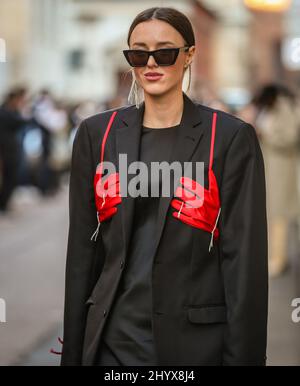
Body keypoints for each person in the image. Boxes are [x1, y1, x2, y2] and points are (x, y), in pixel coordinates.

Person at [61, 7, 268, 366]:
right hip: (112, 339)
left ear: (190, 54)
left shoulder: (230, 138)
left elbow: (245, 265)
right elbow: (81, 253)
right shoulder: (98, 135)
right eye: (139, 53)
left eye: (165, 52)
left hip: (196, 345)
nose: (151, 63)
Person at [239, 84, 300, 277]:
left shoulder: (285, 108)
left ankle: (279, 259)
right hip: (268, 165)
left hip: (281, 167)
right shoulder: (269, 108)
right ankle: (273, 256)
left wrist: (266, 135)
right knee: (270, 213)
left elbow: (290, 137)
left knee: (279, 214)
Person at [0, 88, 28, 212]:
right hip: (6, 151)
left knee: (11, 177)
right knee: (8, 177)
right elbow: (20, 121)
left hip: (11, 150)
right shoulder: (5, 112)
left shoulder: (10, 111)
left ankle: (5, 203)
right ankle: (3, 204)